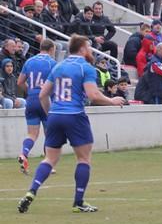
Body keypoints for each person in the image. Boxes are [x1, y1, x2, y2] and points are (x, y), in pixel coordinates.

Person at [18, 35, 126, 214]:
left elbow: (42, 94)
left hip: (55, 115)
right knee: (83, 159)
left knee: (50, 159)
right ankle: (78, 202)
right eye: (89, 48)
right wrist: (112, 100)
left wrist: (50, 113)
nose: (91, 51)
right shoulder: (86, 68)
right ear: (82, 48)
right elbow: (93, 95)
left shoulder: (59, 66)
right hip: (75, 115)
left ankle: (31, 191)